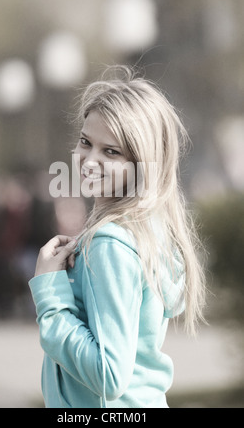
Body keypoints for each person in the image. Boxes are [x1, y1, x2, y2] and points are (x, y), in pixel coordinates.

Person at [29, 66, 206, 408]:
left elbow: (109, 376)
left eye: (111, 152)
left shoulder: (111, 243)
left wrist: (49, 293)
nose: (89, 161)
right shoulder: (148, 230)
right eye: (85, 142)